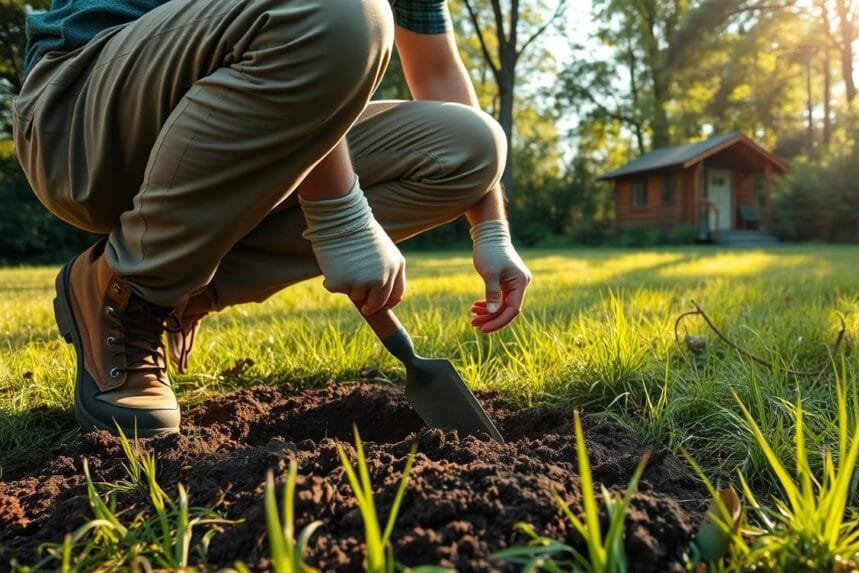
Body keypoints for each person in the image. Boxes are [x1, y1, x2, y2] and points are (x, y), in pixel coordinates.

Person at [12, 0, 532, 437]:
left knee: (472, 148)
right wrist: (342, 217)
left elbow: (438, 71)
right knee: (342, 13)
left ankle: (175, 285)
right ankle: (134, 292)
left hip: (221, 118)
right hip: (82, 113)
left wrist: (491, 229)